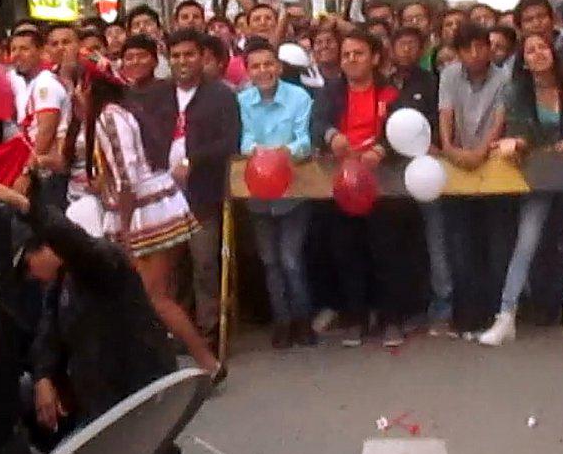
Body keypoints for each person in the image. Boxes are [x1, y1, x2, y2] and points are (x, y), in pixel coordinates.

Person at [0, 179, 180, 454]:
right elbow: (47, 333)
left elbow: (75, 242)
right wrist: (43, 378)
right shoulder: (58, 284)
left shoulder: (104, 266)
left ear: (44, 249)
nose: (30, 278)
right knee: (24, 392)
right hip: (94, 400)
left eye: (28, 267)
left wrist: (26, 207)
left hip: (131, 396)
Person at [66, 59, 221, 377]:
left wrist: (124, 228)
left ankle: (208, 363)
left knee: (156, 298)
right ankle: (168, 366)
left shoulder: (109, 117)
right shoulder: (112, 113)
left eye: (72, 86)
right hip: (154, 206)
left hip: (145, 214)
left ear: (87, 87)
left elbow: (127, 180)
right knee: (157, 296)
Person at [478, 32, 563, 346]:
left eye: (543, 47)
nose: (538, 53)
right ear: (524, 61)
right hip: (538, 174)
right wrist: (516, 142)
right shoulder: (517, 92)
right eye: (530, 50)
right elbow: (520, 130)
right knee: (526, 240)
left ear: (553, 53)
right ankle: (506, 316)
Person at [128, 29, 241, 347]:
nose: (182, 62)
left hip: (202, 193)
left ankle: (209, 331)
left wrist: (193, 161)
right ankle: (177, 330)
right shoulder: (158, 94)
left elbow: (229, 140)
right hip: (163, 195)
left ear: (202, 56)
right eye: (175, 56)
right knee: (170, 267)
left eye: (189, 55)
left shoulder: (220, 95)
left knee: (204, 263)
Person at [310, 29, 403, 347]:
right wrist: (331, 136)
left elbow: (404, 126)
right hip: (343, 183)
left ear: (375, 58)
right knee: (347, 252)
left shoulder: (390, 91)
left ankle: (391, 319)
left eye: (358, 53)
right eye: (346, 54)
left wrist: (382, 149)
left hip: (382, 182)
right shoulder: (330, 92)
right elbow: (317, 123)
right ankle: (358, 318)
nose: (350, 59)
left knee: (386, 252)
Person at [237, 38, 318, 348]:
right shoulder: (242, 100)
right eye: (256, 66)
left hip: (294, 190)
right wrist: (261, 155)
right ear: (247, 71)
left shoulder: (299, 97)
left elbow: (304, 141)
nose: (263, 70)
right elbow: (244, 140)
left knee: (291, 259)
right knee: (269, 261)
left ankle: (302, 320)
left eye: (268, 64)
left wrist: (278, 154)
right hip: (257, 191)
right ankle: (281, 321)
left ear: (279, 67)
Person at [439, 22, 512, 335]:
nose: (475, 53)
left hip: (494, 164)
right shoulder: (449, 74)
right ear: (458, 52)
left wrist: (481, 150)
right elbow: (446, 113)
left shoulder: (505, 78)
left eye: (481, 46)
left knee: (495, 244)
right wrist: (450, 148)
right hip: (456, 164)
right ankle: (464, 315)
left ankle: (495, 312)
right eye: (467, 48)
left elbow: (500, 117)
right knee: (460, 244)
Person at [386, 24, 452, 333]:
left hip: (427, 171)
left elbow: (441, 121)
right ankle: (409, 307)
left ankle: (443, 305)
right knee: (405, 246)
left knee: (436, 241)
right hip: (391, 175)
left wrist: (438, 143)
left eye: (413, 44)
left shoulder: (432, 82)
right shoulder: (384, 85)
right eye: (401, 44)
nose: (407, 50)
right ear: (391, 49)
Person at [11, 30, 69, 177]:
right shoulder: (33, 84)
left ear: (41, 52)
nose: (17, 54)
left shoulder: (46, 84)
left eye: (24, 49)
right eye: (13, 49)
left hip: (48, 171)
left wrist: (27, 174)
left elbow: (45, 133)